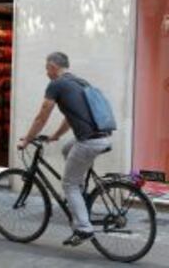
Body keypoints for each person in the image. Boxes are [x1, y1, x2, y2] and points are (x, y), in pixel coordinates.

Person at [18, 52, 112, 246]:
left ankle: (84, 228)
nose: (46, 73)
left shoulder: (56, 85)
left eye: (46, 68)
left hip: (89, 141)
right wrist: (56, 136)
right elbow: (71, 117)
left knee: (68, 184)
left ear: (53, 66)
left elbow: (42, 116)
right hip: (102, 137)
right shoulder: (79, 82)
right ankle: (80, 191)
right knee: (67, 149)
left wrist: (27, 139)